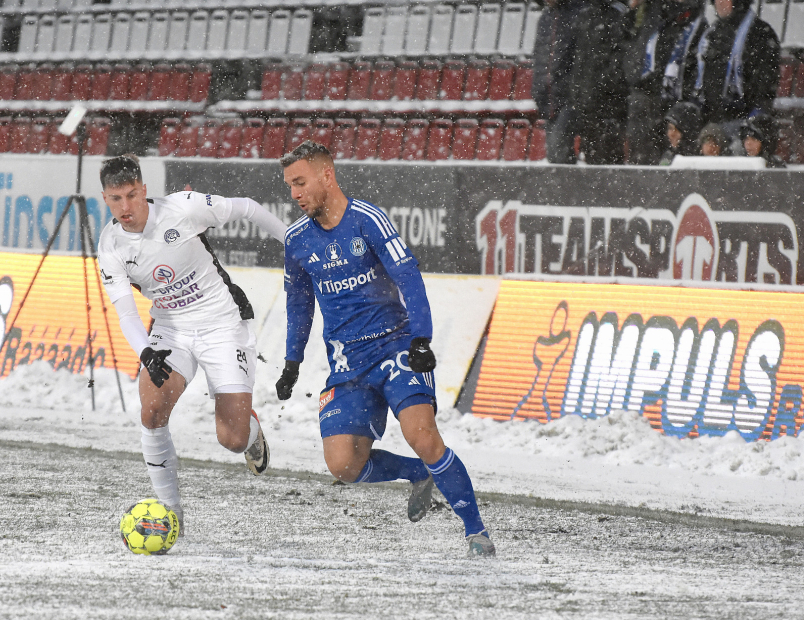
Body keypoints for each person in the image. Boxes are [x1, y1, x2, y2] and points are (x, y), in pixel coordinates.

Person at [274, 141, 495, 558]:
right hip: (347, 363)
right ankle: (418, 475)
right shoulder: (296, 240)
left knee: (423, 436)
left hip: (395, 346)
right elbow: (298, 304)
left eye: (300, 183)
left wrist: (421, 338)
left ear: (327, 175)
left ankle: (476, 532)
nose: (295, 195)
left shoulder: (367, 219)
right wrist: (292, 360)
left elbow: (408, 276)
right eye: (289, 186)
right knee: (343, 465)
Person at [96, 154, 287, 532]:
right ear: (105, 199)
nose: (125, 207)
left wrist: (295, 247)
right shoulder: (110, 246)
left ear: (144, 190)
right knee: (150, 411)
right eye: (116, 199)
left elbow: (247, 208)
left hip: (222, 323)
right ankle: (171, 514)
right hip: (171, 328)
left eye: (132, 195)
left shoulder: (183, 209)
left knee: (231, 439)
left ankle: (251, 435)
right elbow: (127, 315)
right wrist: (146, 352)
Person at [693, 0, 780, 154]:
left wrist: (749, 123)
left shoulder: (760, 33)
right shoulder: (711, 34)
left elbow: (765, 89)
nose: (719, 3)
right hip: (713, 121)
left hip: (744, 120)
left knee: (735, 147)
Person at [625, 0, 707, 164]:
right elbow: (636, 56)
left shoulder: (699, 27)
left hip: (678, 107)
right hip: (653, 104)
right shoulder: (660, 20)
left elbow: (695, 72)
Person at [571, 0, 634, 164]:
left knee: (610, 155)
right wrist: (578, 92)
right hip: (588, 102)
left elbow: (622, 57)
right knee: (592, 156)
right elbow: (579, 59)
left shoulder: (620, 15)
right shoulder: (586, 15)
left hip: (609, 102)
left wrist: (605, 84)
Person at [532, 0, 584, 164]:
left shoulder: (579, 13)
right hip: (549, 96)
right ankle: (567, 187)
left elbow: (581, 58)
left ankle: (567, 185)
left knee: (558, 148)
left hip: (569, 95)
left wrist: (574, 88)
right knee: (555, 154)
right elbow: (540, 57)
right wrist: (538, 89)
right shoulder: (546, 18)